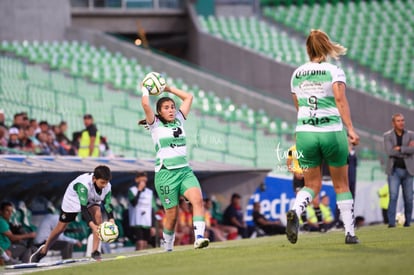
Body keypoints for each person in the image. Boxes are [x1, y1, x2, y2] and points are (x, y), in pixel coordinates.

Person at [286, 29, 360, 245]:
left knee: (311, 184)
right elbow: (340, 100)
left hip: (305, 133)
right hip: (331, 132)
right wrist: (351, 129)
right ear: (327, 47)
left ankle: (295, 211)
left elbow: (298, 107)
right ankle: (349, 232)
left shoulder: (297, 74)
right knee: (341, 185)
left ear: (308, 49)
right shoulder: (333, 71)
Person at [140, 81, 209, 251]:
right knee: (172, 215)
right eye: (166, 107)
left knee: (198, 201)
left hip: (184, 171)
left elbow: (188, 97)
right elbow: (145, 104)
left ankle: (199, 238)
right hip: (165, 174)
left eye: (172, 107)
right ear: (159, 112)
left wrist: (168, 88)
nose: (171, 110)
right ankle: (168, 245)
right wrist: (145, 89)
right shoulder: (154, 124)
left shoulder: (179, 119)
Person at [29, 165, 115, 262]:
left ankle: (95, 251)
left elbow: (108, 204)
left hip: (91, 198)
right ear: (94, 179)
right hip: (73, 199)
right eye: (102, 182)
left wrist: (111, 220)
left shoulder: (107, 186)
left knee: (98, 216)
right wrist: (92, 226)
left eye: (106, 182)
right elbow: (83, 208)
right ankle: (43, 251)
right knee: (61, 228)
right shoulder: (83, 185)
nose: (104, 185)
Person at [383, 113, 414, 227]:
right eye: (398, 120)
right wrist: (407, 149)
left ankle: (408, 223)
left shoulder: (411, 135)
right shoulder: (387, 135)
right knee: (393, 196)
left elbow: (413, 149)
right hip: (394, 171)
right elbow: (389, 151)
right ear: (393, 123)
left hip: (408, 170)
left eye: (402, 120)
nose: (401, 122)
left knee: (409, 198)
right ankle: (391, 223)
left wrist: (399, 148)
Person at [287, 143, 324, 231]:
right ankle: (305, 225)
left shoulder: (309, 148)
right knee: (300, 200)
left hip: (309, 176)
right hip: (298, 179)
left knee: (315, 201)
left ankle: (321, 224)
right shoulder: (292, 149)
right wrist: (295, 173)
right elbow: (288, 164)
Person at [127, 171, 155, 250]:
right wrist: (139, 191)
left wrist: (153, 225)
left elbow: (152, 208)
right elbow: (134, 203)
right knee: (140, 243)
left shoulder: (149, 192)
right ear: (137, 180)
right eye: (141, 180)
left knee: (145, 243)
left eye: (144, 181)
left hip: (147, 222)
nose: (143, 182)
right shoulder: (132, 191)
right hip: (136, 222)